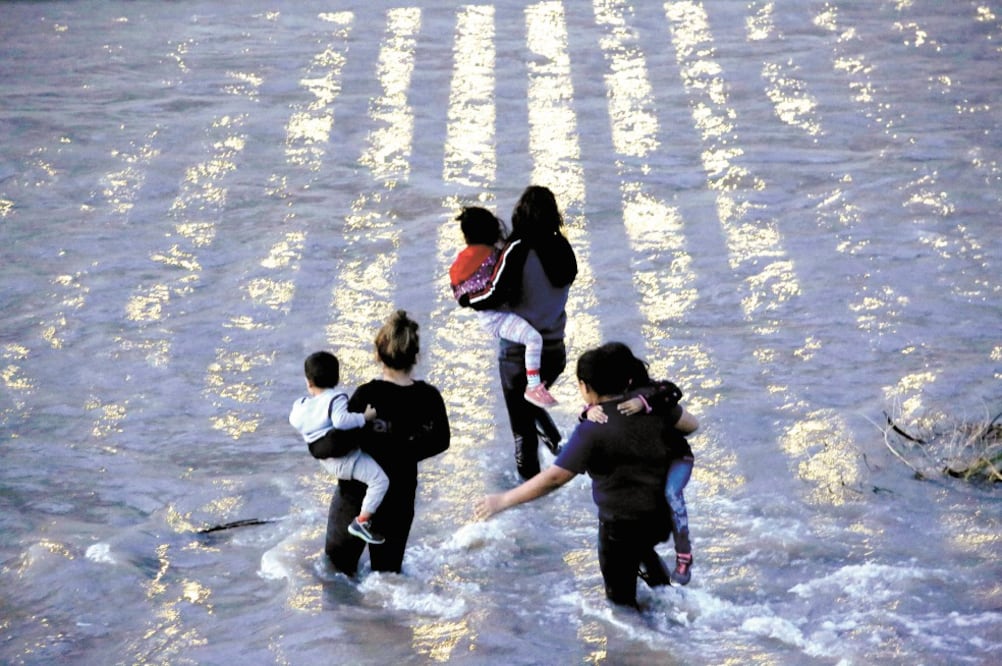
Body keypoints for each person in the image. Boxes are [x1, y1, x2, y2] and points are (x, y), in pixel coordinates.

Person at [476, 342, 698, 608]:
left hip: (620, 525)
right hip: (659, 518)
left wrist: (502, 500)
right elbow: (691, 425)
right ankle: (676, 607)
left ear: (585, 387)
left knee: (621, 603)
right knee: (643, 553)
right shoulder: (655, 406)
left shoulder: (592, 430)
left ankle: (647, 630)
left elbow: (555, 478)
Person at [462, 185, 577, 479]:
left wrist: (466, 298)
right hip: (555, 352)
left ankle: (528, 494)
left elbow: (493, 294)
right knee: (530, 405)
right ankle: (561, 454)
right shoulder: (564, 249)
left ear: (520, 214)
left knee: (522, 430)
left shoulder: (517, 250)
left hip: (518, 356)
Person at [324, 310, 450, 576]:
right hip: (399, 495)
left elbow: (342, 441)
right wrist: (404, 451)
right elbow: (441, 441)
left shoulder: (366, 394)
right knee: (387, 577)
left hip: (355, 494)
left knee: (335, 573)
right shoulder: (428, 397)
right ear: (415, 356)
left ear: (378, 354)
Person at [582, 342, 699, 585]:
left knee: (670, 495)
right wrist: (586, 412)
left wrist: (645, 403)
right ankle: (662, 590)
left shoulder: (652, 394)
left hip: (674, 461)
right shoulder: (603, 406)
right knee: (638, 546)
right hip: (642, 489)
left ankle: (683, 556)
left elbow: (672, 393)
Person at [449, 206, 557, 409]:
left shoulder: (465, 260)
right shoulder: (491, 255)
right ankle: (533, 386)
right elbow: (497, 288)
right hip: (497, 319)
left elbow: (461, 292)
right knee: (533, 339)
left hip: (491, 317)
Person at [289, 351, 387, 544]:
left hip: (327, 462)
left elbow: (295, 421)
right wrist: (364, 417)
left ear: (308, 382)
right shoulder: (336, 398)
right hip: (346, 460)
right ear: (337, 377)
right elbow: (341, 421)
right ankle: (361, 522)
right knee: (379, 481)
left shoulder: (301, 405)